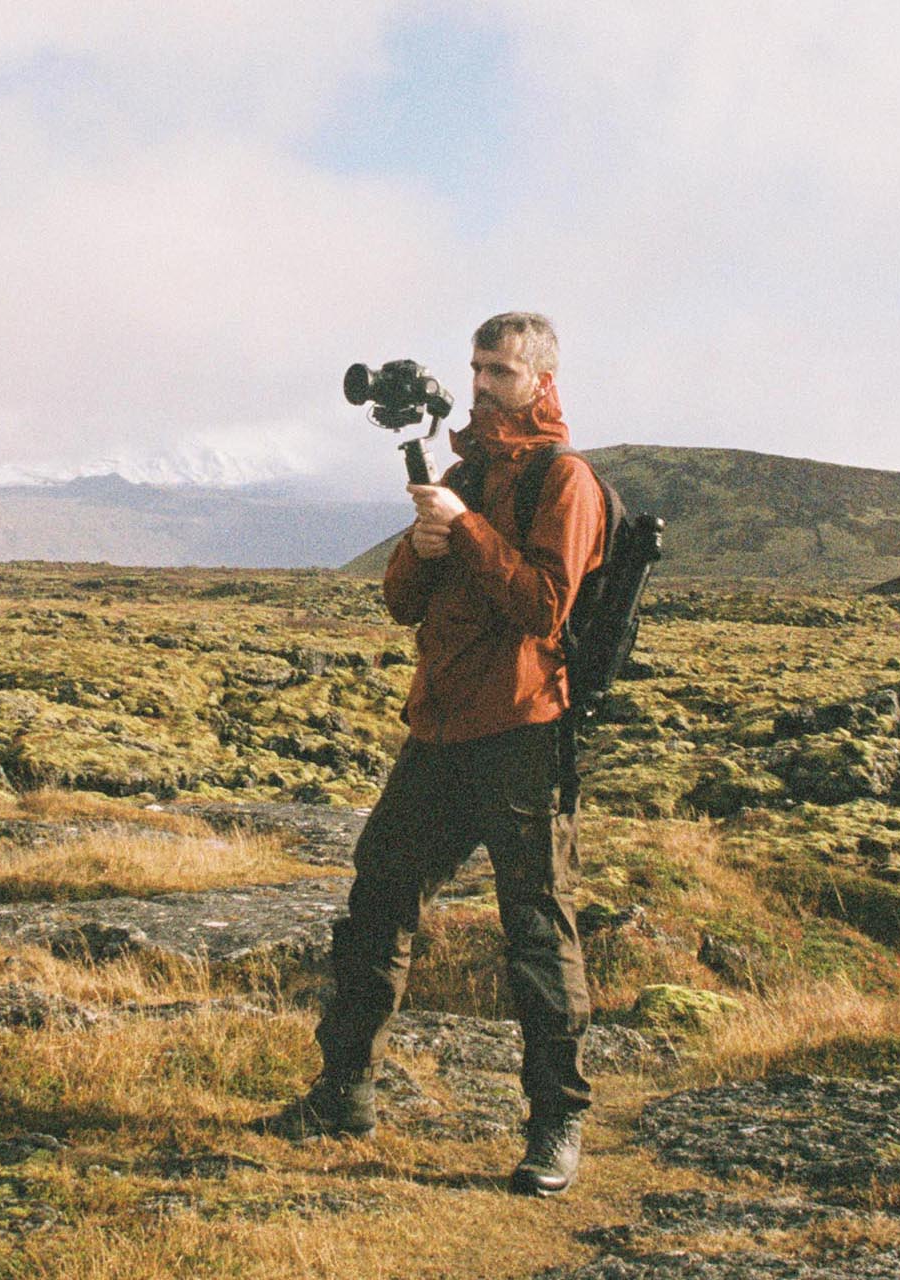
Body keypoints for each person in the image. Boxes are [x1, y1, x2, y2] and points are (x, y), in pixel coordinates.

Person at [271, 312, 606, 1197]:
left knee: (536, 928)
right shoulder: (460, 472)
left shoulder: (564, 481)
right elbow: (405, 606)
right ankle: (343, 1091)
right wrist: (422, 550)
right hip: (441, 729)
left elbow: (544, 606)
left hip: (525, 731)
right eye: (475, 367)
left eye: (499, 370)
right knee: (378, 898)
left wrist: (463, 530)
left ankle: (556, 1124)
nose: (481, 383)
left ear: (540, 379)